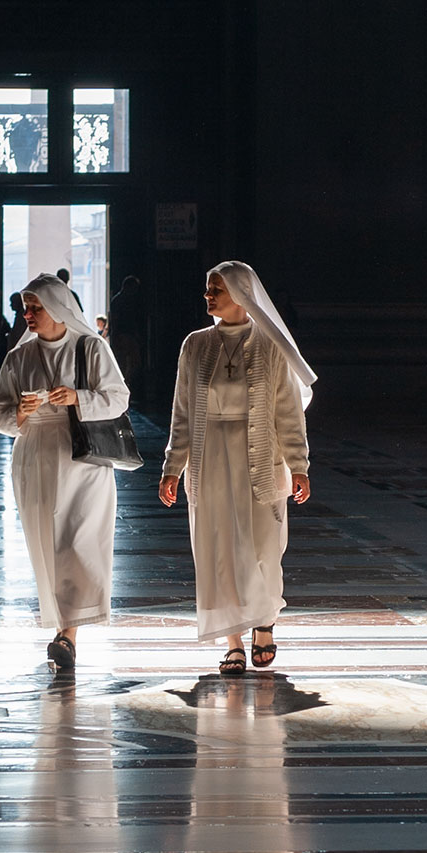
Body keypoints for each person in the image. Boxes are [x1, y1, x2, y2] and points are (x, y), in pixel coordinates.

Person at [159, 261, 315, 676]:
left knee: (264, 547)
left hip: (260, 458)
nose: (208, 296)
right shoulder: (195, 345)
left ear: (242, 295)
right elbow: (182, 411)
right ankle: (232, 642)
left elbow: (287, 412)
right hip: (209, 459)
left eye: (217, 289)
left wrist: (298, 464)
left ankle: (264, 623)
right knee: (218, 549)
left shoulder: (269, 345)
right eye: (208, 288)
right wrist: (173, 466)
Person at [0, 274, 131, 670]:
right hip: (35, 456)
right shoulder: (18, 357)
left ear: (57, 307)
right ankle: (62, 628)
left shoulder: (91, 347)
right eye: (25, 308)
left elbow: (118, 398)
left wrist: (77, 397)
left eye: (35, 307)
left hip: (83, 458)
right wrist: (20, 413)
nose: (28, 314)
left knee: (79, 542)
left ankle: (69, 632)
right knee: (48, 543)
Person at [107, 274, 147, 395]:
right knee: (128, 363)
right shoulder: (124, 301)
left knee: (126, 363)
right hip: (124, 335)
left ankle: (124, 386)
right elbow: (117, 320)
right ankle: (125, 386)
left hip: (124, 335)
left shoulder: (117, 300)